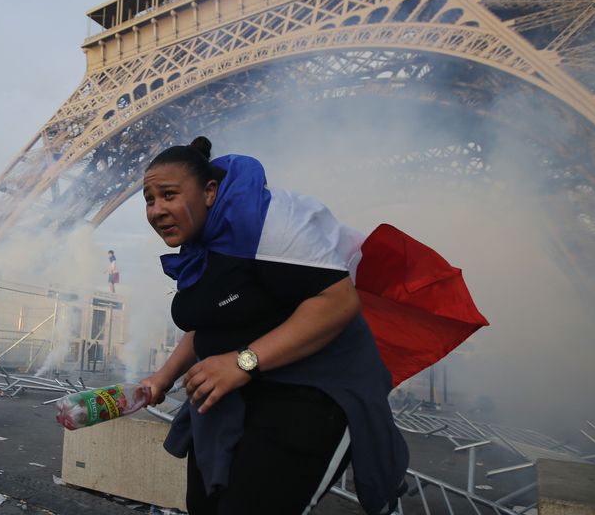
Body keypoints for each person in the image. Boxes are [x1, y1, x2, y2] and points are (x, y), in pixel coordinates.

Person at [139, 137, 411, 515]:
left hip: (312, 393)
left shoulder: (267, 225)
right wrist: (163, 376)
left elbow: (338, 302)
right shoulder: (201, 245)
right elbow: (212, 321)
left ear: (210, 192)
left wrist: (241, 362)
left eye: (169, 195)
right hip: (236, 396)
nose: (157, 210)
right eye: (149, 200)